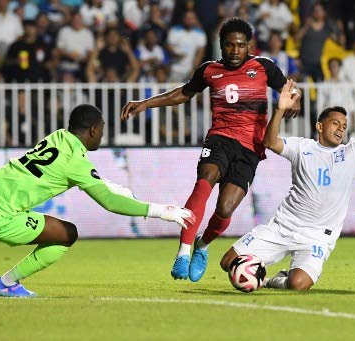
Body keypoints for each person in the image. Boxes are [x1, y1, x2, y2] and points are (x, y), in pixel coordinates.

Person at [0, 104, 195, 298]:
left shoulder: (57, 137)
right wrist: (162, 211)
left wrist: (111, 185)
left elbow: (86, 177)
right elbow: (108, 202)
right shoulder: (76, 162)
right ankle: (7, 284)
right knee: (67, 233)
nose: (101, 137)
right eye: (101, 131)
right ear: (93, 130)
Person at [121, 17, 300, 282]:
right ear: (221, 46)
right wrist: (146, 103)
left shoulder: (263, 67)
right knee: (204, 180)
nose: (235, 51)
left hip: (251, 148)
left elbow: (288, 90)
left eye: (240, 45)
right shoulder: (209, 70)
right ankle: (182, 252)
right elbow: (183, 93)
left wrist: (295, 100)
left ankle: (201, 246)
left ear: (248, 45)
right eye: (229, 45)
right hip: (220, 138)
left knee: (225, 208)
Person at [220, 80, 355, 291]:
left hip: (316, 237)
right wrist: (279, 109)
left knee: (298, 284)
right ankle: (258, 268)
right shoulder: (301, 147)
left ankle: (275, 280)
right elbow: (269, 142)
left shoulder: (354, 151)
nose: (341, 129)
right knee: (228, 262)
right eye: (335, 123)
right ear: (319, 126)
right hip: (283, 227)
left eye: (344, 126)